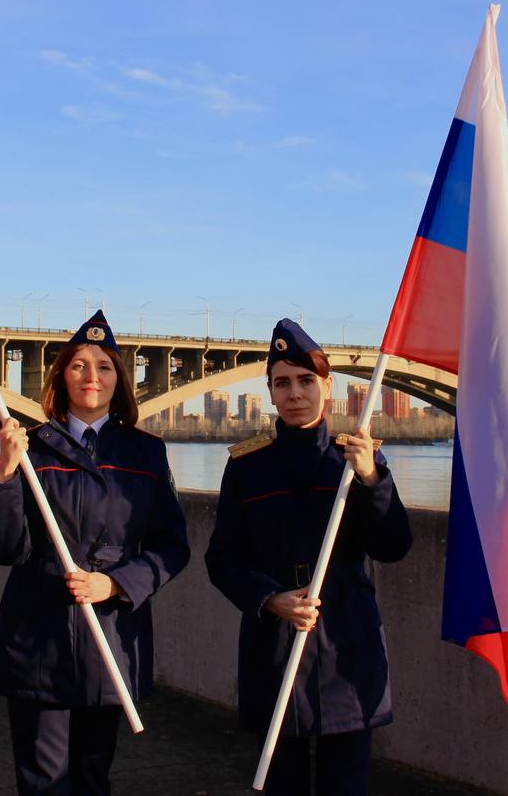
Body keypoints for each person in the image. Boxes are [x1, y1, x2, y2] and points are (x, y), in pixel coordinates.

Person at [0, 310, 190, 795]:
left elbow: (172, 546)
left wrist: (116, 583)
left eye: (103, 366)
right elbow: (6, 549)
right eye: (78, 365)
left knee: (92, 778)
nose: (91, 376)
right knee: (43, 781)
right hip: (39, 635)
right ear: (61, 376)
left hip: (110, 637)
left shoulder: (146, 453)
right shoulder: (32, 450)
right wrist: (5, 475)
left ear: (119, 379)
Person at [205, 318, 413, 796]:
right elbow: (222, 558)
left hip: (347, 651)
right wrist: (270, 599)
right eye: (282, 383)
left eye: (305, 380)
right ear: (270, 393)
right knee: (282, 784)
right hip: (275, 653)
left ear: (327, 386)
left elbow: (394, 546)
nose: (295, 393)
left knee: (347, 786)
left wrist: (372, 481)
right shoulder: (247, 466)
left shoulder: (355, 460)